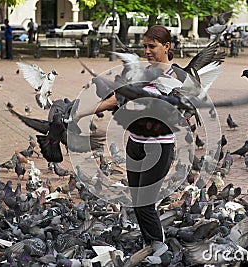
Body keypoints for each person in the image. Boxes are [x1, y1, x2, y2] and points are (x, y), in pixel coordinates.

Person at [74, 25, 176, 258]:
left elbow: (185, 112)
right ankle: (149, 244)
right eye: (144, 47)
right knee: (136, 199)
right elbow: (114, 100)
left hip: (158, 147)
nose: (147, 51)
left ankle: (160, 249)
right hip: (135, 144)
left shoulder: (178, 77)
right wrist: (81, 113)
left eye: (152, 46)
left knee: (145, 202)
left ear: (167, 46)